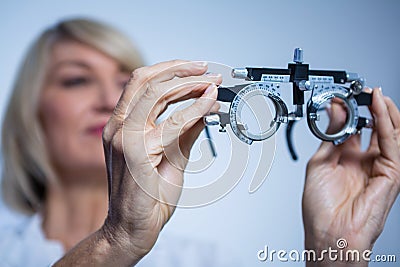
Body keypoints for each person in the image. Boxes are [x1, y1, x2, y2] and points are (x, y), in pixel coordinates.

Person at [0, 17, 398, 266]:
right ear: (28, 111)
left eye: (125, 82)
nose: (110, 99)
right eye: (77, 80)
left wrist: (334, 252)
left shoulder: (206, 262)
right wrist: (115, 244)